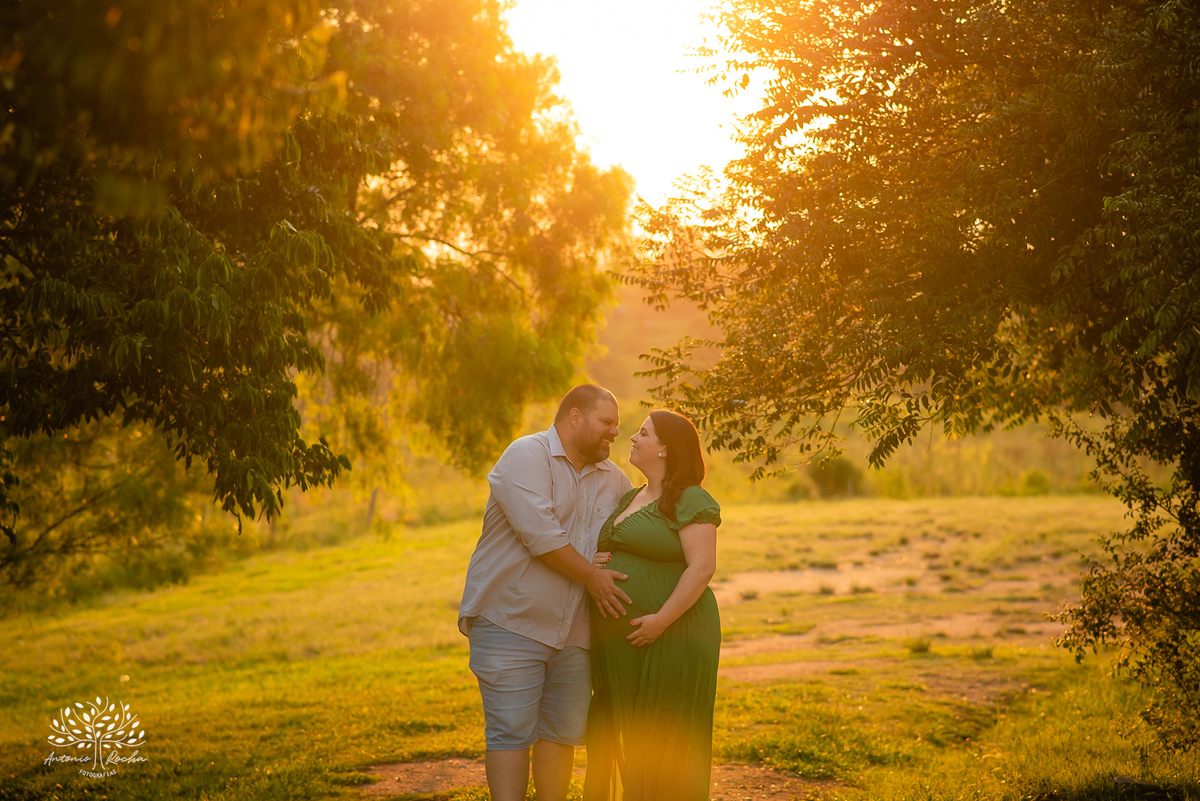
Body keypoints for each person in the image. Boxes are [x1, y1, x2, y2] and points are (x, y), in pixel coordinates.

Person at [458, 384, 635, 801]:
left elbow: (636, 529)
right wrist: (591, 576)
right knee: (511, 733)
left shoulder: (615, 479)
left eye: (617, 425)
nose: (614, 432)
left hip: (576, 632)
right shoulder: (526, 455)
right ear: (575, 417)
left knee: (560, 733)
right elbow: (541, 536)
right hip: (511, 623)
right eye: (606, 422)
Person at [584, 410, 722, 801]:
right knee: (631, 734)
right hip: (624, 641)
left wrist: (661, 620)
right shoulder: (632, 497)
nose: (632, 437)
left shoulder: (691, 498)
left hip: (673, 634)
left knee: (664, 736)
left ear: (665, 449)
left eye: (643, 433)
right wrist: (597, 562)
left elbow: (702, 567)